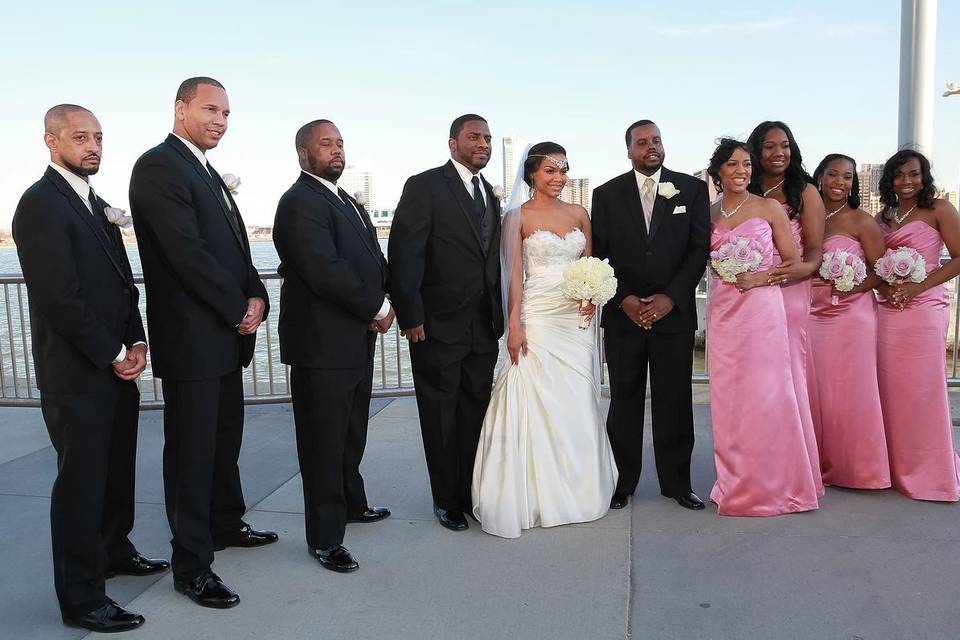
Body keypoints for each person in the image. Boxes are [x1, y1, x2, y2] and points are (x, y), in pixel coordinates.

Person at [13, 104, 168, 633]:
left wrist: (139, 339)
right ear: (52, 142)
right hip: (78, 373)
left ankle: (114, 550)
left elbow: (124, 284)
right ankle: (81, 596)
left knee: (116, 467)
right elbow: (60, 298)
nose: (93, 146)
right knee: (80, 484)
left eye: (98, 137)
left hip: (116, 364)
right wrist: (112, 352)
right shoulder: (39, 206)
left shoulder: (94, 202)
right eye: (81, 137)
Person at [128, 77, 277, 609]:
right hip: (192, 338)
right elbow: (184, 252)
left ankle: (224, 523)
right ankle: (192, 566)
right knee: (191, 454)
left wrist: (257, 292)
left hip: (224, 338)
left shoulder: (206, 171)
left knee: (223, 441)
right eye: (210, 109)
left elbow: (236, 250)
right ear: (180, 109)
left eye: (227, 113)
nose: (220, 120)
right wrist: (237, 306)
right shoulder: (158, 166)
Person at [471, 142, 617, 538]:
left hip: (575, 319)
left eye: (564, 169)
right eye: (550, 170)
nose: (559, 177)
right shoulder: (517, 217)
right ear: (532, 173)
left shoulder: (580, 214)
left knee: (575, 397)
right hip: (537, 314)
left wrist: (592, 298)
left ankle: (580, 488)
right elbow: (514, 274)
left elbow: (592, 266)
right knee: (533, 393)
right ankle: (535, 490)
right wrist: (514, 324)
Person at [273, 120, 392, 572]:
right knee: (322, 442)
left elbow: (373, 260)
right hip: (321, 346)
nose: (337, 151)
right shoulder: (299, 201)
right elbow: (324, 269)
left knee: (350, 430)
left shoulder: (346, 200)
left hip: (355, 340)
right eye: (326, 144)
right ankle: (325, 538)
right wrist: (376, 307)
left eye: (340, 143)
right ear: (303, 153)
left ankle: (352, 502)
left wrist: (393, 297)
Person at [389, 114, 503, 531]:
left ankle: (471, 491)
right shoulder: (425, 186)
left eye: (488, 138)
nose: (483, 143)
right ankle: (445, 499)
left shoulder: (489, 192)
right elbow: (405, 254)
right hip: (436, 326)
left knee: (475, 412)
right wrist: (411, 316)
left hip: (482, 326)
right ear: (452, 143)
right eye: (474, 137)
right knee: (440, 415)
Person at [591, 120, 710, 511]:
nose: (651, 147)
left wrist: (671, 299)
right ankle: (621, 483)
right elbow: (599, 254)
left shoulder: (691, 189)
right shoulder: (605, 195)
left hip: (673, 317)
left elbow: (698, 251)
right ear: (629, 151)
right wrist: (623, 298)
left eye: (656, 140)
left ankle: (677, 483)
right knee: (623, 400)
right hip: (624, 317)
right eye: (642, 142)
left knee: (674, 401)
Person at [706, 138, 820, 516]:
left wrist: (759, 279)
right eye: (734, 165)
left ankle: (777, 485)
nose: (742, 171)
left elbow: (793, 261)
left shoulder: (769, 207)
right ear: (719, 171)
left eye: (747, 165)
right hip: (723, 313)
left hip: (762, 311)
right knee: (729, 401)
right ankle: (734, 481)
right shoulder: (708, 213)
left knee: (768, 396)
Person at [874, 150, 960, 502]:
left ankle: (931, 471)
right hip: (888, 310)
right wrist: (888, 288)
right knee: (889, 390)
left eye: (913, 174)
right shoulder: (883, 216)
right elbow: (876, 264)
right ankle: (893, 467)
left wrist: (918, 287)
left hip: (924, 309)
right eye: (899, 175)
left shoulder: (940, 209)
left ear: (924, 176)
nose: (906, 181)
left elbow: (958, 257)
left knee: (923, 390)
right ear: (889, 179)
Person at [745, 120, 825, 497]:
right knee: (756, 380)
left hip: (790, 291)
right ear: (756, 152)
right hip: (749, 296)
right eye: (770, 147)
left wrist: (800, 271)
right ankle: (757, 465)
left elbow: (813, 253)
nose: (779, 153)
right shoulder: (747, 188)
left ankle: (794, 472)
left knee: (787, 378)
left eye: (785, 145)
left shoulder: (805, 191)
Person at [807, 154, 890, 489]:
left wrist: (852, 286)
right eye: (833, 175)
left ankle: (857, 470)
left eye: (847, 177)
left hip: (851, 316)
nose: (839, 183)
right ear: (820, 177)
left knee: (852, 392)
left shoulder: (862, 221)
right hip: (811, 313)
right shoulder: (805, 216)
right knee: (815, 390)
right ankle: (813, 463)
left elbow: (880, 270)